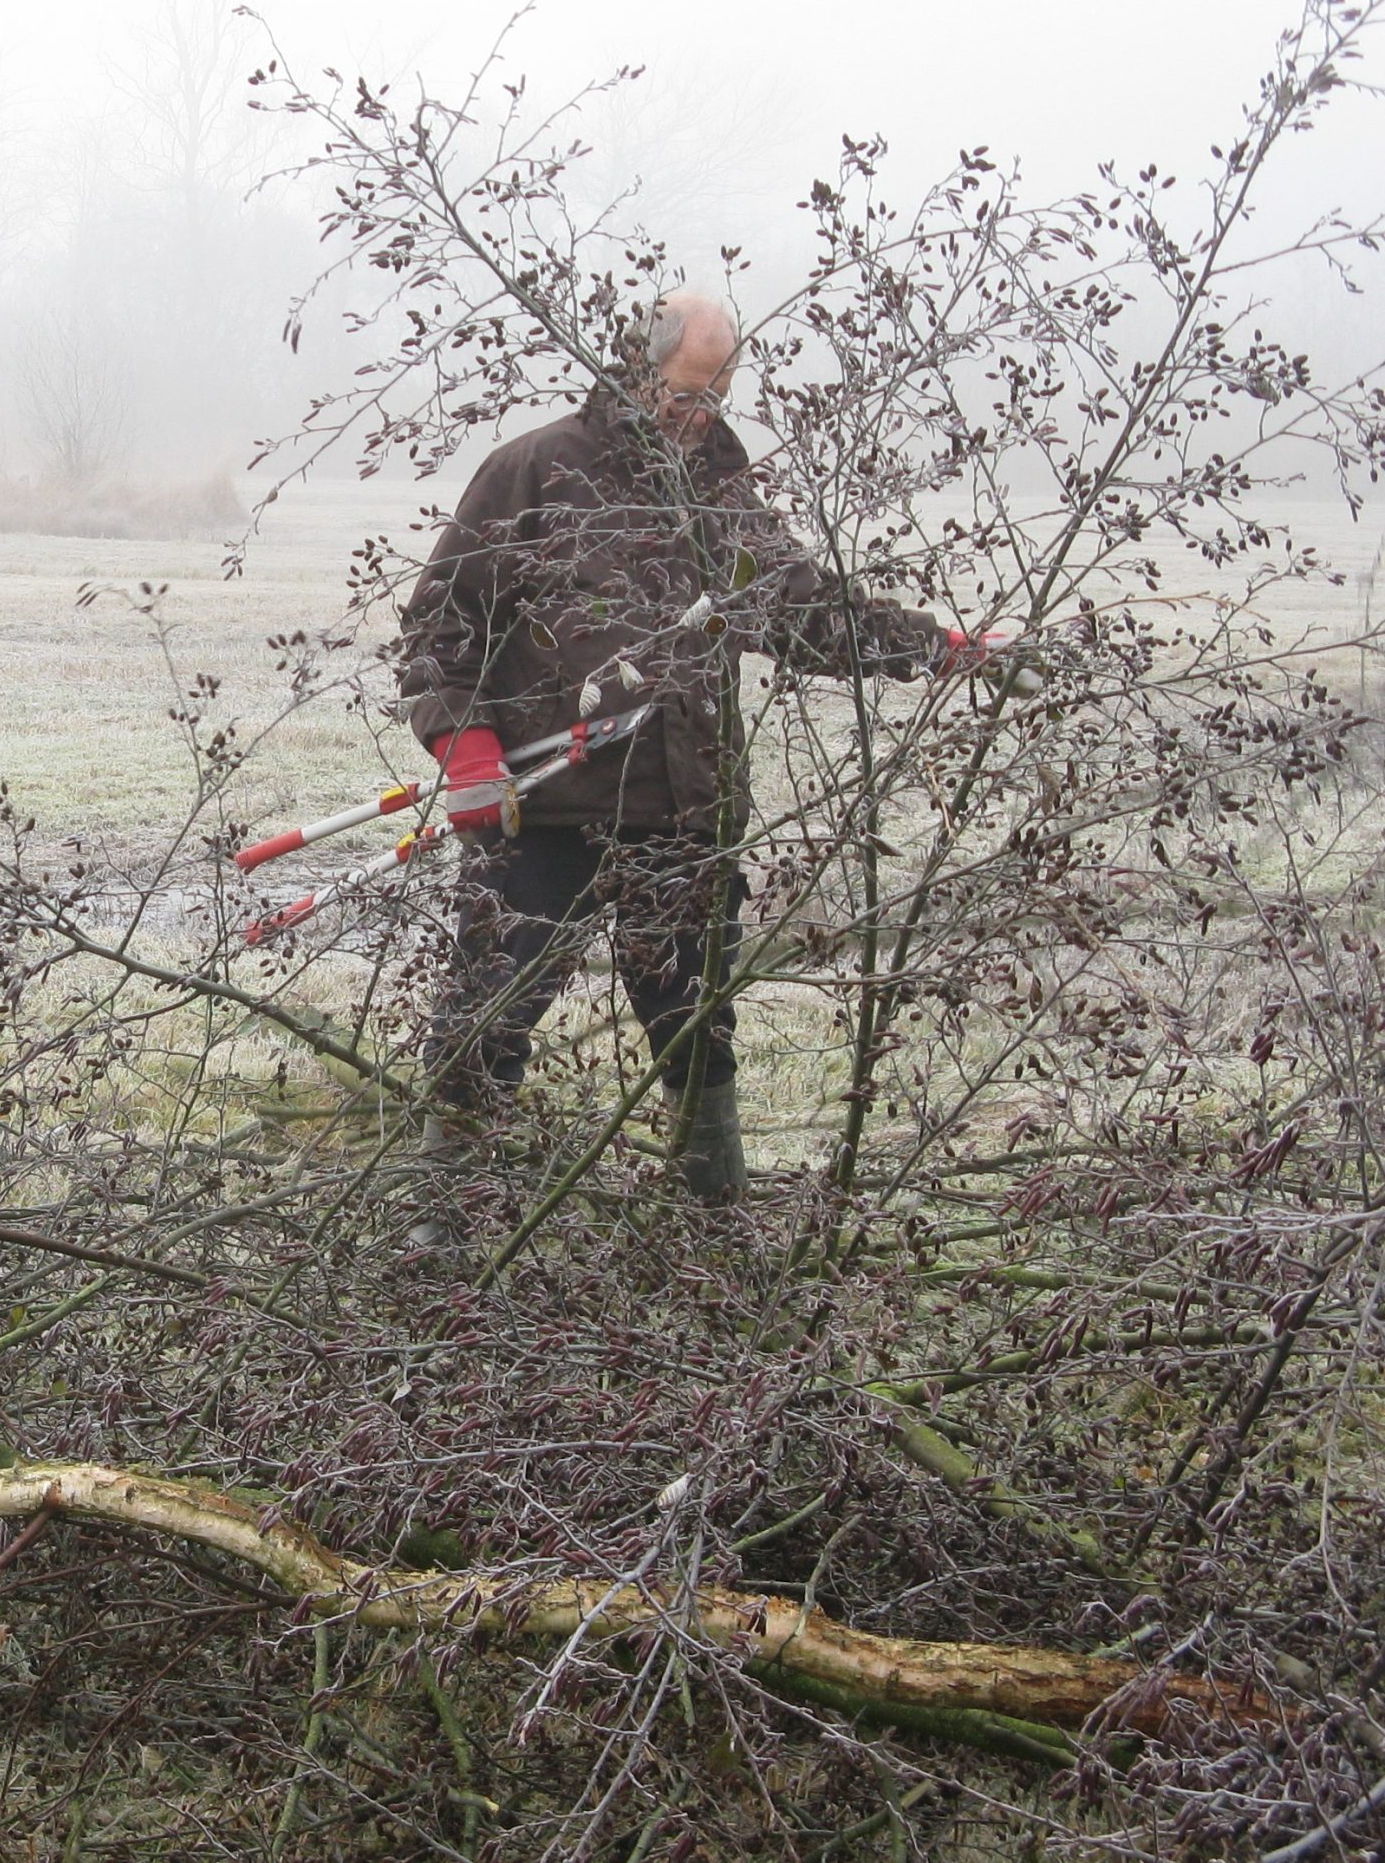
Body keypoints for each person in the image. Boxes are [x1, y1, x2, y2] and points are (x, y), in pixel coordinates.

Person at [399, 291, 1002, 1205]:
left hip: (687, 814)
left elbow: (798, 607)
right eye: (684, 393)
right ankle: (438, 1222)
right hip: (545, 814)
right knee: (487, 1019)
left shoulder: (720, 486)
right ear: (637, 372)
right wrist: (470, 749)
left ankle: (709, 1217)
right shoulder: (535, 471)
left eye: (717, 394)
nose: (700, 414)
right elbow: (442, 627)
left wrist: (930, 647)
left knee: (695, 1029)